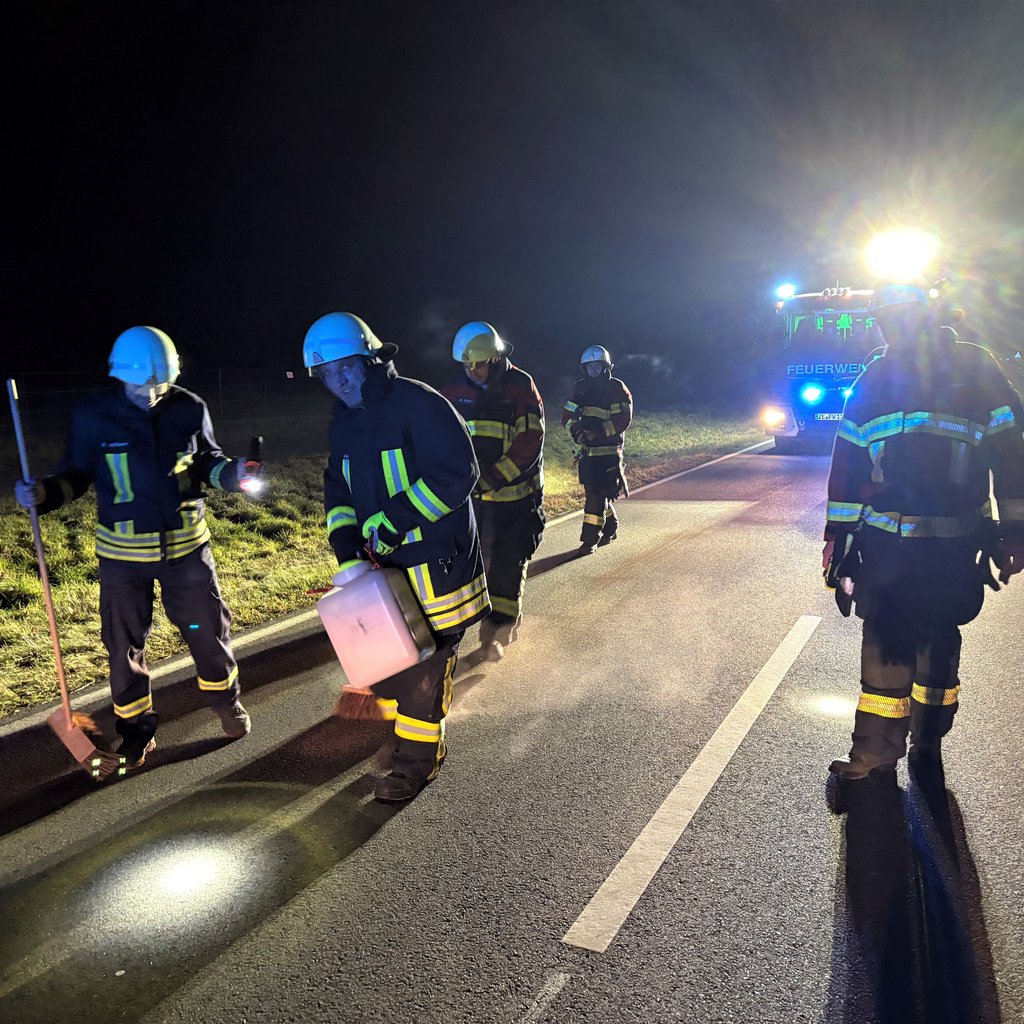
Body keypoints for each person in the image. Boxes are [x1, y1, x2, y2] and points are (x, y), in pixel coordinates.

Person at [13, 326, 259, 767]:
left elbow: (207, 462)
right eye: (138, 385)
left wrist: (236, 473)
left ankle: (226, 702)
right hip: (123, 560)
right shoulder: (94, 414)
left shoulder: (188, 406)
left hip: (187, 552)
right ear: (119, 377)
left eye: (157, 384)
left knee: (209, 632)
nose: (148, 393)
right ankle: (136, 730)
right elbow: (75, 475)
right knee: (123, 647)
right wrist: (44, 493)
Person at [822, 281, 1024, 791]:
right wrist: (838, 539)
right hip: (886, 546)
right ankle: (872, 754)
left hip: (953, 546)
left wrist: (1016, 532)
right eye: (886, 319)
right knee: (884, 639)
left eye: (903, 316)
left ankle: (928, 739)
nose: (895, 328)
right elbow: (847, 460)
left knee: (937, 642)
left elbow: (1012, 456)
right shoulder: (875, 376)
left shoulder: (975, 369)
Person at [304, 311, 490, 802]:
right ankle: (409, 735)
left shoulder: (417, 403)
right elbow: (337, 491)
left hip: (436, 565)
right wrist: (346, 547)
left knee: (426, 670)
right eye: (326, 372)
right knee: (396, 668)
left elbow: (456, 474)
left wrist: (391, 524)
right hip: (384, 574)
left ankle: (416, 764)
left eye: (346, 366)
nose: (337, 379)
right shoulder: (343, 425)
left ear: (369, 358)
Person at [441, 321, 545, 661]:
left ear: (496, 359)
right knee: (469, 563)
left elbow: (529, 441)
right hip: (473, 497)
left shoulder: (520, 387)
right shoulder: (455, 392)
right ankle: (454, 634)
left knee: (508, 560)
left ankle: (499, 630)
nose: (473, 371)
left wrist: (494, 477)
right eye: (467, 365)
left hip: (516, 496)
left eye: (480, 363)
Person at [561, 345, 633, 554]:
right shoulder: (580, 388)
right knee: (596, 492)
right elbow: (567, 414)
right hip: (587, 451)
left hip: (609, 452)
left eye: (597, 366)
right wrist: (576, 431)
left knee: (597, 494)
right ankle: (611, 526)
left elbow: (622, 420)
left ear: (605, 367)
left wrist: (597, 433)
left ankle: (590, 539)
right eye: (589, 367)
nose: (593, 370)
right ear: (585, 368)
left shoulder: (617, 389)